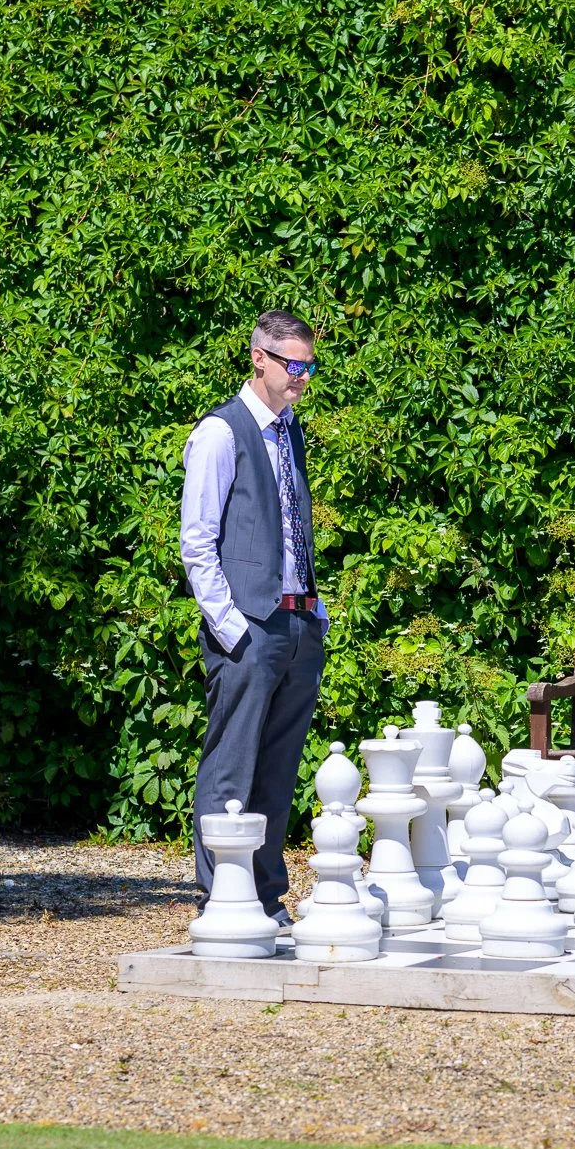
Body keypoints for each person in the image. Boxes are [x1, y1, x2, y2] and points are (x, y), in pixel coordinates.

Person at [178, 310, 328, 925]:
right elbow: (198, 542)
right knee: (231, 766)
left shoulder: (288, 429)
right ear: (258, 358)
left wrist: (313, 613)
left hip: (296, 625)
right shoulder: (220, 432)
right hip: (249, 628)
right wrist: (232, 628)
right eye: (293, 365)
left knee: (278, 770)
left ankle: (266, 896)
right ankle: (224, 899)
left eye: (309, 366)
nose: (303, 378)